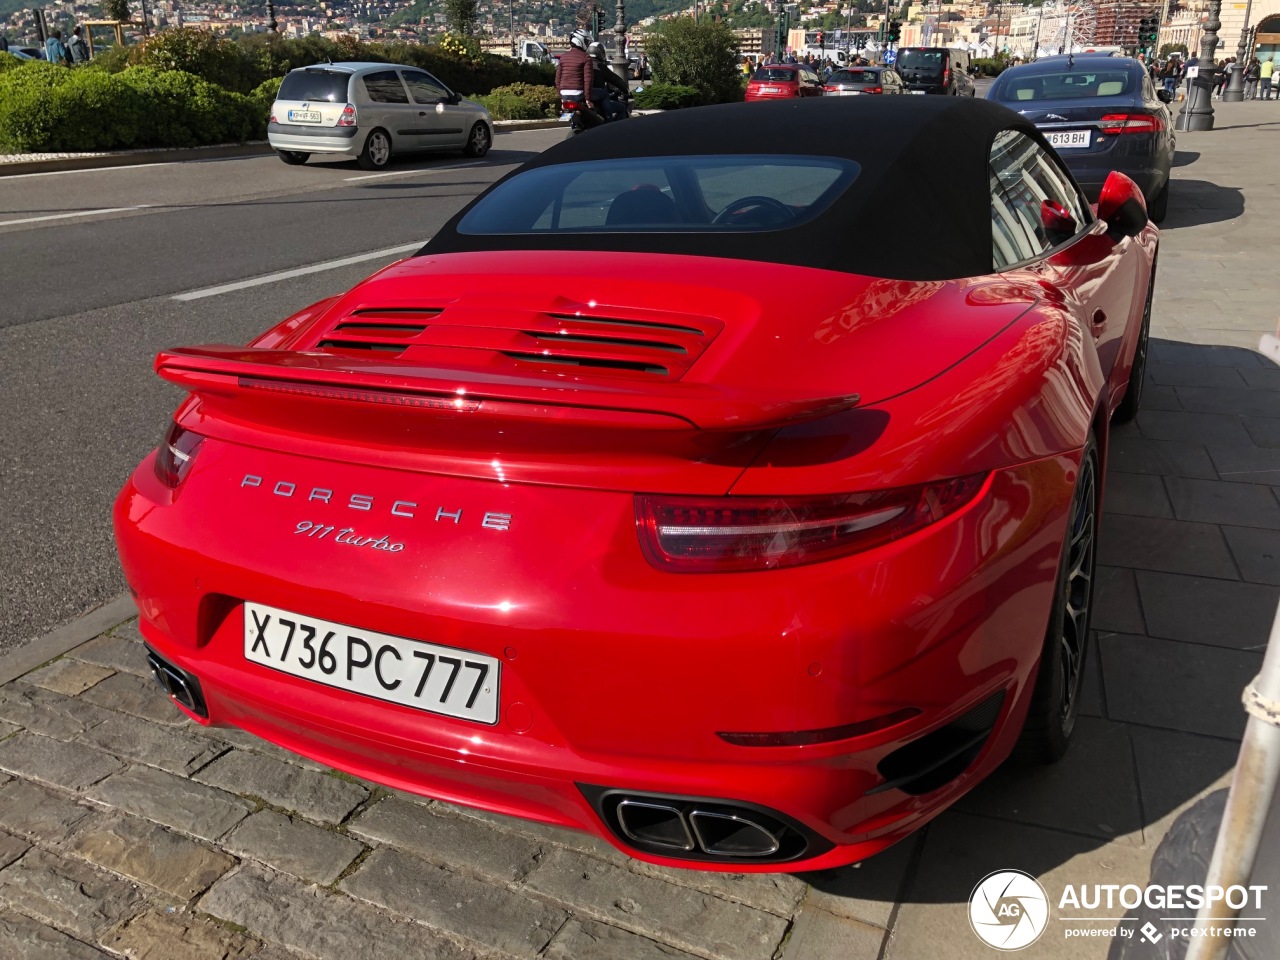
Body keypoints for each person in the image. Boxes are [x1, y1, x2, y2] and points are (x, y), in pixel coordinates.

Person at [555, 28, 601, 130]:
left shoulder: (563, 57)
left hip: (564, 94)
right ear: (581, 41)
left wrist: (561, 97)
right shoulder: (586, 57)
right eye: (587, 42)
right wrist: (588, 99)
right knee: (603, 94)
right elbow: (588, 80)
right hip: (578, 93)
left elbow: (557, 79)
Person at [586, 41, 628, 122]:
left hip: (583, 97)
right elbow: (616, 80)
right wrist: (625, 89)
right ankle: (611, 126)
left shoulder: (585, 64)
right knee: (621, 108)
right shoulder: (601, 67)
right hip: (596, 97)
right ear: (600, 53)